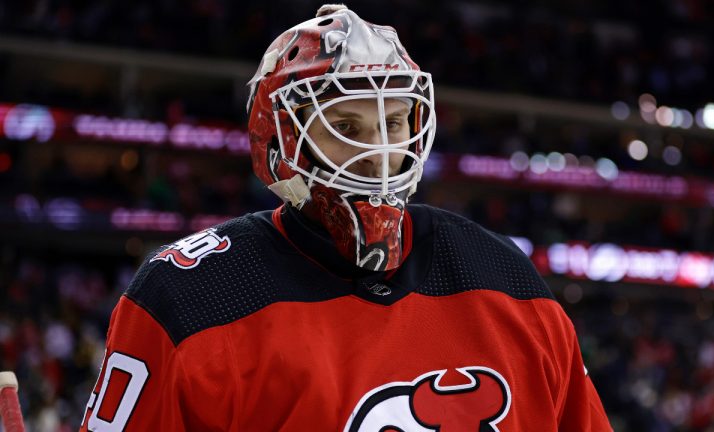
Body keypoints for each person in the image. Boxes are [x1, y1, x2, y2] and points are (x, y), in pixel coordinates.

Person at [80, 4, 611, 431]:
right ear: (283, 139)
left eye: (395, 121)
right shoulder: (190, 298)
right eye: (349, 128)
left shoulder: (506, 279)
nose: (380, 152)